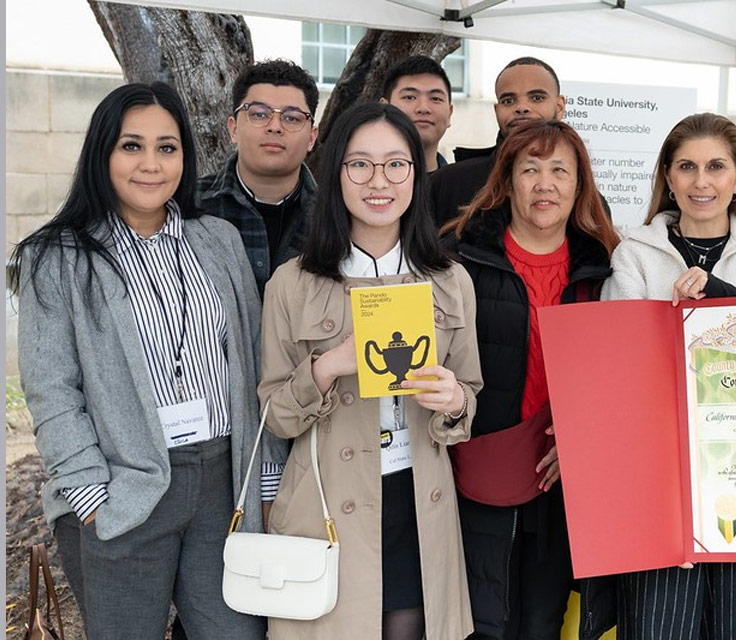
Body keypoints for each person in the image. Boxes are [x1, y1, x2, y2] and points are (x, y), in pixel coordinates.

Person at [12, 82, 281, 639]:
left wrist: (267, 476)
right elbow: (50, 387)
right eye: (132, 146)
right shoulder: (56, 256)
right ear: (102, 153)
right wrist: (90, 493)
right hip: (124, 486)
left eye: (168, 147)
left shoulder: (218, 241)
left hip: (222, 485)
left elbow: (255, 364)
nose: (151, 165)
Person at [585, 113, 736, 640]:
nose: (701, 181)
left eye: (716, 167)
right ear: (667, 177)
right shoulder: (635, 254)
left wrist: (721, 296)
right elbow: (620, 371)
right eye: (686, 167)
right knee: (655, 628)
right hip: (658, 477)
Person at [258, 102, 482, 640]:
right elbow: (273, 415)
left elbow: (470, 394)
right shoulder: (292, 283)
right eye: (359, 164)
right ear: (336, 175)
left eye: (396, 164)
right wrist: (331, 365)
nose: (378, 181)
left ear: (416, 174)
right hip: (327, 504)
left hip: (417, 498)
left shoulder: (451, 281)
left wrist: (453, 399)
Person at [442, 119, 620, 640]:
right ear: (507, 180)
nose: (545, 184)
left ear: (579, 185)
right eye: (530, 170)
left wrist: (582, 441)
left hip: (563, 479)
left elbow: (619, 380)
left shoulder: (607, 266)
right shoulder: (457, 259)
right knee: (480, 622)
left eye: (559, 170)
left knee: (544, 622)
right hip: (477, 471)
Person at [197, 58, 319, 297]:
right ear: (233, 128)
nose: (275, 126)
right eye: (260, 114)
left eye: (292, 117)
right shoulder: (189, 205)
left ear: (312, 137)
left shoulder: (337, 215)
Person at [430, 56, 566, 227]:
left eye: (537, 98)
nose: (522, 107)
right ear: (497, 110)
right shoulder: (448, 184)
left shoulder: (582, 193)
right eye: (508, 101)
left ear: (560, 106)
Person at [381, 54, 454, 173]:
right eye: (409, 97)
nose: (423, 108)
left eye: (435, 99)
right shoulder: (357, 182)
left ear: (450, 114)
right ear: (384, 107)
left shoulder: (463, 188)